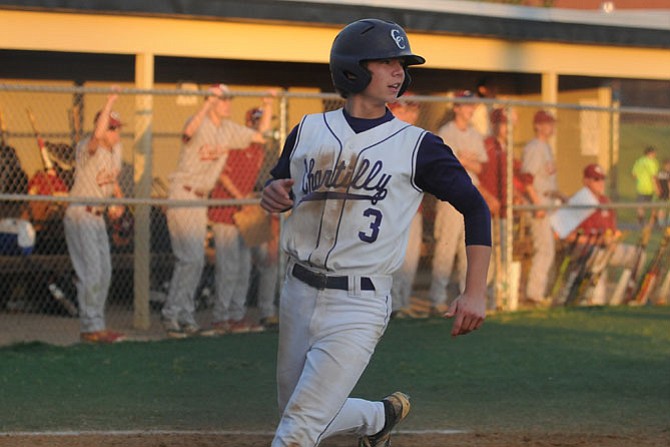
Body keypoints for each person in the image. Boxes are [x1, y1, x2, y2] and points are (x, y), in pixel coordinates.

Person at [260, 18, 491, 447]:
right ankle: (378, 416)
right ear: (351, 69)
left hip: (359, 301)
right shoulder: (308, 130)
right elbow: (278, 184)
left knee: (299, 428)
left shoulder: (417, 144)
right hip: (297, 291)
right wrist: (271, 193)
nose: (398, 71)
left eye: (401, 63)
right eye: (386, 62)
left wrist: (474, 290)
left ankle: (369, 418)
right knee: (296, 409)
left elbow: (475, 208)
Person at [161, 84, 275, 338]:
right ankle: (173, 315)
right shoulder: (198, 121)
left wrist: (267, 106)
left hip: (200, 199)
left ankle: (183, 316)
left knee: (196, 260)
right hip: (183, 192)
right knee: (190, 259)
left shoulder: (228, 130)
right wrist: (206, 105)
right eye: (223, 100)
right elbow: (188, 133)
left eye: (228, 99)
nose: (228, 103)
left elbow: (260, 135)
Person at [63, 89, 126, 343]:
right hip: (81, 212)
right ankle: (91, 327)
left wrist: (119, 200)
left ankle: (96, 323)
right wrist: (109, 101)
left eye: (117, 128)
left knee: (105, 271)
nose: (115, 133)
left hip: (98, 216)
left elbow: (113, 180)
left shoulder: (116, 149)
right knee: (91, 271)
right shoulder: (86, 147)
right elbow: (97, 136)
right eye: (112, 128)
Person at [203, 107, 272, 335]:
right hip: (225, 210)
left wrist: (247, 199)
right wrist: (239, 196)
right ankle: (220, 317)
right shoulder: (236, 142)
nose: (261, 126)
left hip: (243, 213)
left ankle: (236, 315)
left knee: (243, 266)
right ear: (248, 123)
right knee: (228, 266)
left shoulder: (260, 148)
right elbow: (221, 173)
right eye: (257, 122)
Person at [429, 90, 488, 315]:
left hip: (471, 195)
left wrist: (464, 161)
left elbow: (481, 167)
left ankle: (468, 297)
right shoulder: (446, 132)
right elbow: (445, 164)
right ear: (456, 108)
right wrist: (462, 161)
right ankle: (437, 299)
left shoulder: (475, 134)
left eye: (471, 106)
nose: (469, 109)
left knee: (468, 250)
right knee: (446, 248)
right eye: (465, 105)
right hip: (450, 196)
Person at [552, 164, 638, 305]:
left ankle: (626, 297)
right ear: (586, 181)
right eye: (596, 179)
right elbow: (561, 235)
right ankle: (596, 300)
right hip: (585, 250)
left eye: (602, 179)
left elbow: (612, 231)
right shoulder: (578, 201)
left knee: (637, 255)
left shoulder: (605, 202)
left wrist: (612, 240)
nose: (601, 183)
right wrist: (593, 241)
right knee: (598, 257)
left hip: (606, 248)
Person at [386, 93, 424, 318]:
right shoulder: (384, 136)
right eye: (403, 109)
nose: (409, 114)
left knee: (411, 257)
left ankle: (403, 301)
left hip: (413, 205)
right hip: (390, 207)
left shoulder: (417, 138)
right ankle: (391, 304)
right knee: (392, 258)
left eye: (413, 110)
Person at [521, 109, 564, 306]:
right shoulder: (535, 147)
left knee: (548, 249)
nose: (551, 127)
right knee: (545, 249)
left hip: (548, 201)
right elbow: (527, 179)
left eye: (552, 123)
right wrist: (537, 204)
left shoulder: (546, 147)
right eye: (547, 123)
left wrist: (560, 195)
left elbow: (546, 179)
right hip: (537, 202)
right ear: (537, 125)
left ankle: (538, 293)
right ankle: (534, 294)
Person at [631, 146, 659, 226]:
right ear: (650, 153)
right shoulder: (652, 162)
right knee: (654, 204)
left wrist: (641, 177)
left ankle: (641, 220)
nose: (655, 154)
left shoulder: (639, 161)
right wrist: (656, 188)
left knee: (640, 204)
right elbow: (653, 176)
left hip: (640, 187)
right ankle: (655, 221)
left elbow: (634, 175)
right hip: (650, 187)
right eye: (654, 152)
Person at [656, 158, 670, 227]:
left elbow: (656, 182)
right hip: (666, 194)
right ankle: (667, 225)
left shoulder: (660, 173)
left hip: (662, 194)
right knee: (663, 209)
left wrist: (657, 190)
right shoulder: (668, 174)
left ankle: (661, 224)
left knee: (662, 209)